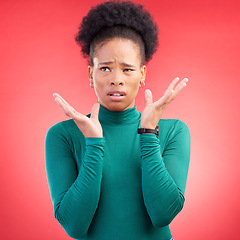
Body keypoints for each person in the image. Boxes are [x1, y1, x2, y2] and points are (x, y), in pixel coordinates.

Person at [45, 1, 191, 240]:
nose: (116, 80)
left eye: (127, 69)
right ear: (91, 74)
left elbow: (162, 214)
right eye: (105, 69)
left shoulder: (173, 131)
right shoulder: (63, 135)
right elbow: (74, 226)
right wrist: (93, 145)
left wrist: (148, 134)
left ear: (142, 74)